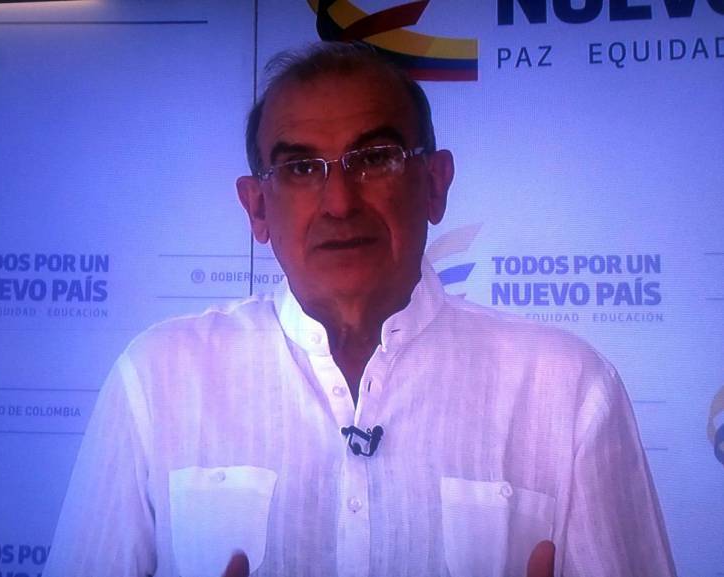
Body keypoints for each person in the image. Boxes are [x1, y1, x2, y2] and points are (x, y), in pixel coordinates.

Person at [43, 42, 676, 577]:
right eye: (299, 168)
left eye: (375, 159)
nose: (340, 202)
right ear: (257, 208)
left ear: (435, 184)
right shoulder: (158, 379)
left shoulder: (566, 389)